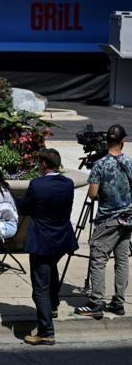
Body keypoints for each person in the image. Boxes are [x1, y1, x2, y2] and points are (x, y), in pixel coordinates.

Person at [19, 148, 78, 346]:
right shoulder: (68, 184)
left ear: (44, 164)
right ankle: (52, 305)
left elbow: (25, 208)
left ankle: (46, 331)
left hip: (42, 241)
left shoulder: (37, 184)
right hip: (61, 239)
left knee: (40, 287)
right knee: (51, 269)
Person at [75, 124, 131, 318]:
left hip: (108, 219)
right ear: (122, 142)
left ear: (107, 141)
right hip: (128, 219)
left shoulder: (100, 164)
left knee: (98, 257)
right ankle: (118, 302)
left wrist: (104, 196)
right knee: (122, 260)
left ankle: (96, 302)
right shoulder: (130, 162)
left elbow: (92, 194)